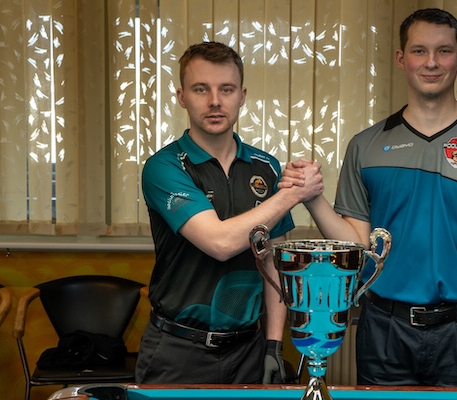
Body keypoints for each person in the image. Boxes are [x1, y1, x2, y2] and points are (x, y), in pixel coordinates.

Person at [282, 8, 457, 387]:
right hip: (384, 330)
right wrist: (313, 198)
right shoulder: (365, 146)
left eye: (444, 51)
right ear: (401, 59)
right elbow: (360, 246)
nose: (431, 62)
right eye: (419, 51)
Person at [137, 42, 323, 384]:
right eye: (200, 89)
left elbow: (274, 262)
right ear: (181, 97)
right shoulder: (164, 167)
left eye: (226, 89)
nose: (214, 101)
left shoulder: (265, 167)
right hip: (178, 347)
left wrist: (273, 345)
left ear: (242, 95)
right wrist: (293, 193)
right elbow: (219, 243)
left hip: (249, 349)